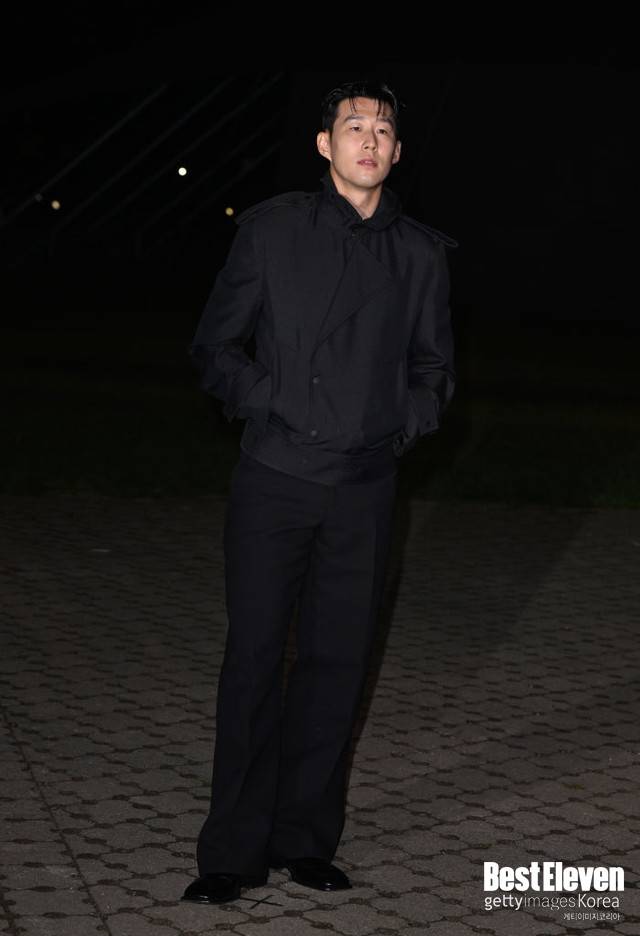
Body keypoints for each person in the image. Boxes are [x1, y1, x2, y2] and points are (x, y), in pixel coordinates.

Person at [181, 79, 457, 906]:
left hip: (364, 490)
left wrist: (395, 425)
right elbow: (216, 348)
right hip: (274, 481)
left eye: (383, 130)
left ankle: (305, 840)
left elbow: (435, 371)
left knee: (337, 667)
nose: (369, 140)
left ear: (397, 152)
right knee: (255, 660)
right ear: (324, 144)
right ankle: (232, 852)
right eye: (354, 126)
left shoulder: (421, 255)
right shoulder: (271, 232)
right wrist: (273, 403)